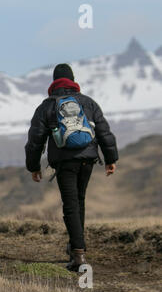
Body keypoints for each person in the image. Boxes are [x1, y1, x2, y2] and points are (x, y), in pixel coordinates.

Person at [25, 63, 118, 271]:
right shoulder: (88, 103)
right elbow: (104, 132)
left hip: (64, 162)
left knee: (70, 204)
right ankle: (77, 246)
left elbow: (35, 139)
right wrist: (111, 158)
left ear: (54, 82)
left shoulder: (47, 105)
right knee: (80, 200)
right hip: (87, 159)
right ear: (73, 80)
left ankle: (78, 254)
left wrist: (33, 166)